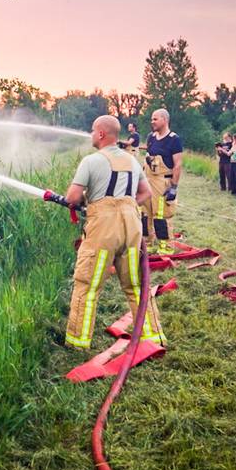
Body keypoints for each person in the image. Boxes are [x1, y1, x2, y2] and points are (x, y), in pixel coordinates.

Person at [61, 115, 162, 349]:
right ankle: (152, 336)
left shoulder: (91, 161)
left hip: (103, 230)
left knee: (87, 284)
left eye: (92, 130)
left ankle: (78, 342)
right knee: (136, 285)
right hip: (131, 228)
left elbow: (73, 198)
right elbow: (145, 193)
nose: (90, 134)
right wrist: (126, 206)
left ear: (101, 134)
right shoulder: (132, 161)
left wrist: (90, 203)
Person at [142, 109, 183, 255]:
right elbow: (148, 156)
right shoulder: (151, 137)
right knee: (145, 213)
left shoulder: (174, 139)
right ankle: (148, 242)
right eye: (152, 119)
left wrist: (174, 187)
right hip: (148, 180)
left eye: (155, 119)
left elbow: (178, 165)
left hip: (163, 183)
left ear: (164, 120)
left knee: (161, 215)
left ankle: (165, 247)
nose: (152, 122)